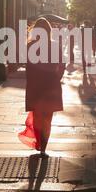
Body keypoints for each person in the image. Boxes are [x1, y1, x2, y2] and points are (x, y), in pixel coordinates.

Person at [19, 17, 65, 158]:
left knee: (38, 117)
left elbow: (28, 68)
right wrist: (57, 78)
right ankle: (43, 147)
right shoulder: (55, 45)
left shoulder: (29, 46)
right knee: (48, 118)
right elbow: (62, 65)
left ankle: (40, 143)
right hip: (51, 85)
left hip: (35, 86)